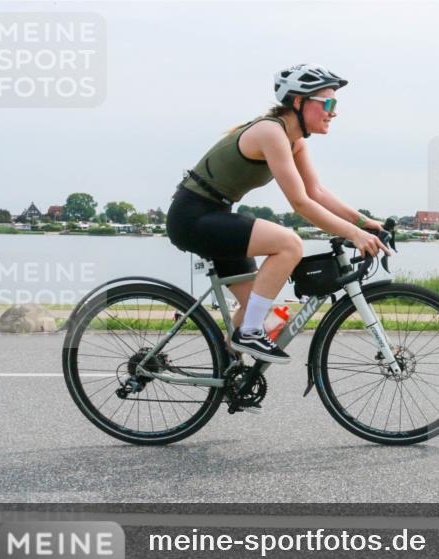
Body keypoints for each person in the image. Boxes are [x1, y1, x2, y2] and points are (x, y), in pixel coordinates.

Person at [166, 64, 390, 363]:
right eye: (328, 103)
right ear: (298, 102)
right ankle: (249, 333)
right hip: (192, 217)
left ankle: (228, 363)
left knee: (265, 312)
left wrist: (364, 223)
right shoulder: (270, 132)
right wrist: (353, 234)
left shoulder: (294, 141)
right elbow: (300, 203)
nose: (333, 112)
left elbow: (316, 192)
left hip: (216, 215)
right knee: (290, 244)